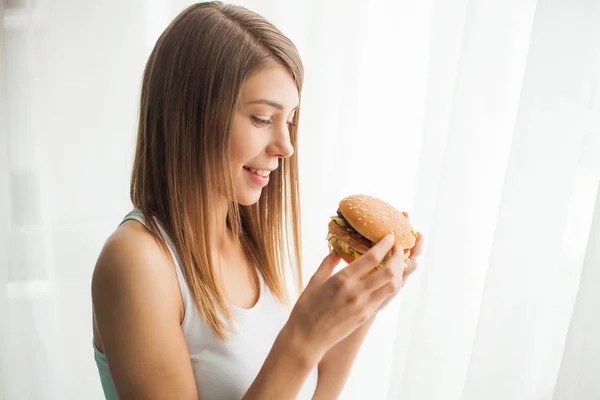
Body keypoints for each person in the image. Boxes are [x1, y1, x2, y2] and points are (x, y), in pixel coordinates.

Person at [90, 2, 424, 399]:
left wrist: (363, 302)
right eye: (263, 119)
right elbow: (294, 359)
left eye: (291, 121)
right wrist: (300, 340)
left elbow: (313, 393)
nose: (286, 147)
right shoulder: (137, 262)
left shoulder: (246, 243)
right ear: (190, 116)